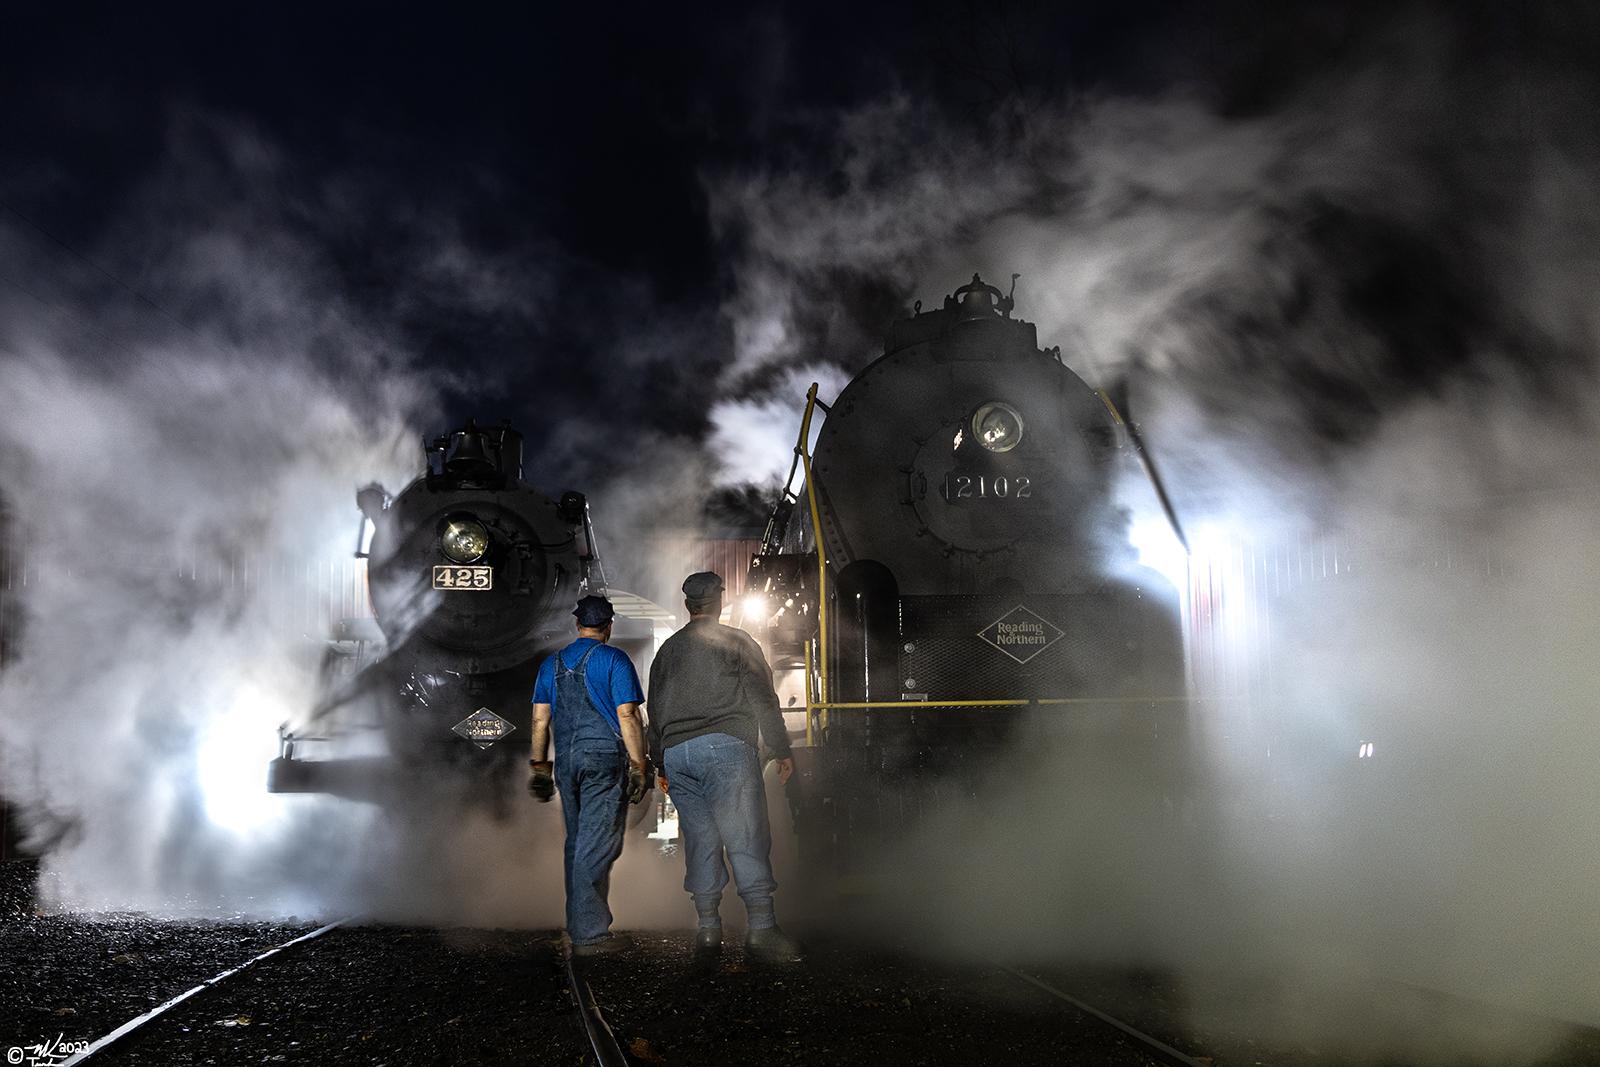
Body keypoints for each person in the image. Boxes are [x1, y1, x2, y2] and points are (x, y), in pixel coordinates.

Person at [648, 571, 802, 962]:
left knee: (700, 840)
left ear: (687, 605)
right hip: (725, 749)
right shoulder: (736, 642)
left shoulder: (667, 650)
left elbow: (656, 709)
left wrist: (660, 763)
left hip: (678, 755)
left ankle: (708, 931)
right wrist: (782, 748)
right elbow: (763, 699)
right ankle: (762, 930)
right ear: (719, 602)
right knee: (745, 836)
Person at [528, 594, 652, 956]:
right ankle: (590, 935)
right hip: (603, 761)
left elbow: (540, 719)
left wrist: (539, 767)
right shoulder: (615, 659)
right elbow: (627, 715)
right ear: (609, 626)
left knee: (578, 843)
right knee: (597, 844)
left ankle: (579, 925)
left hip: (567, 762)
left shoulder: (551, 665)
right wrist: (637, 765)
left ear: (577, 625)